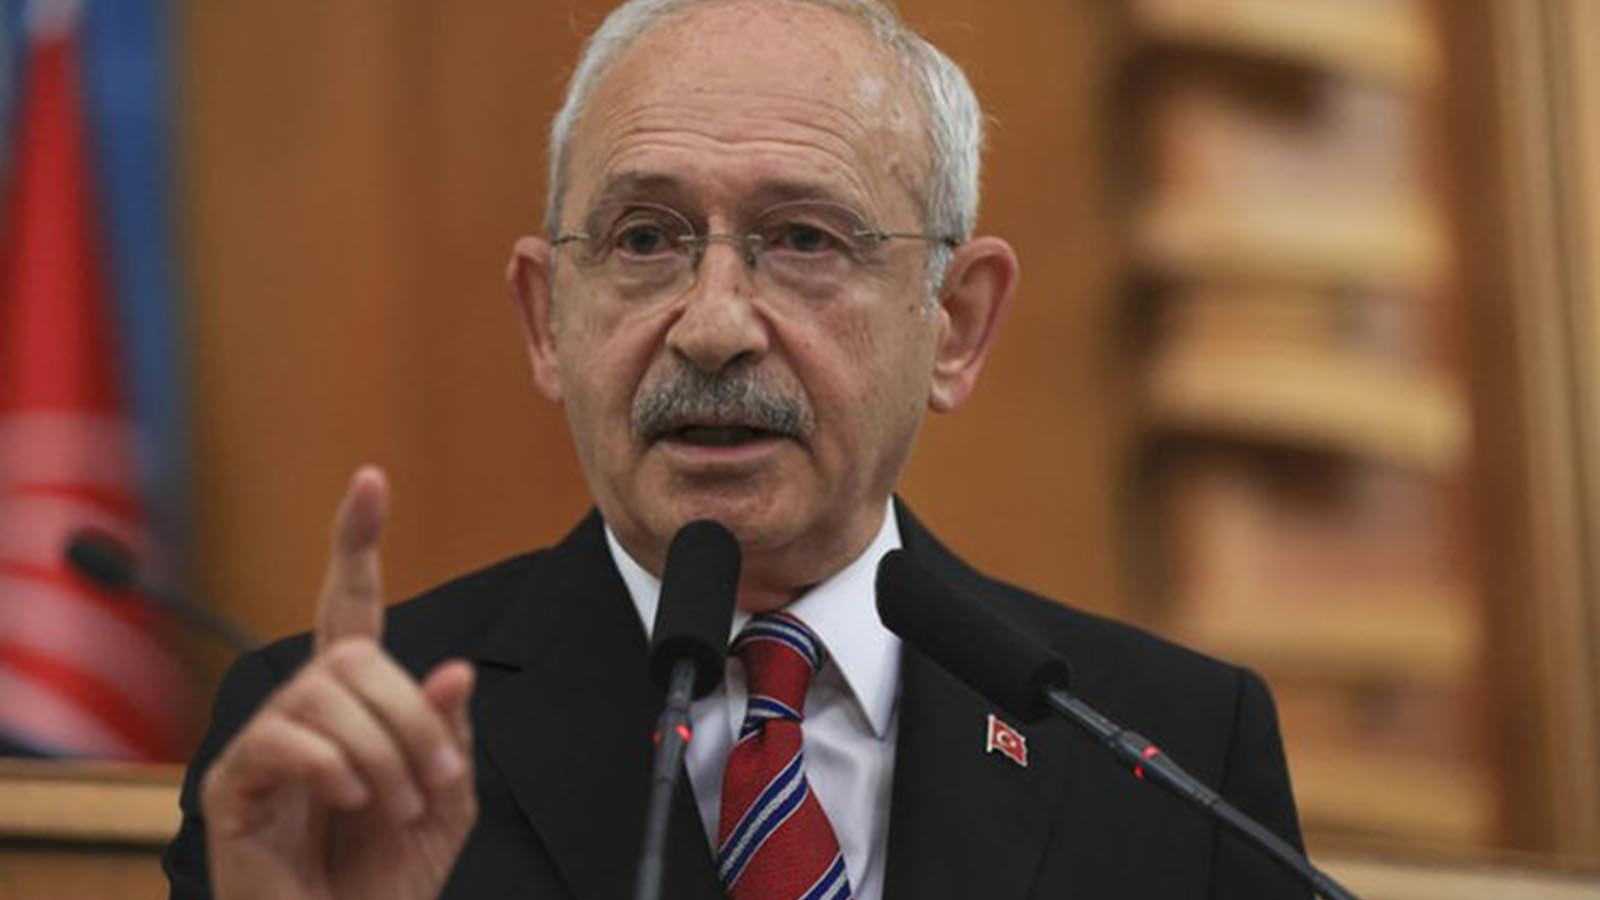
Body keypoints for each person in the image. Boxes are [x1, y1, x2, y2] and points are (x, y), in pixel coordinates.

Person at [165, 1, 1308, 897]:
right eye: (644, 238)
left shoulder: (1169, 751)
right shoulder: (345, 764)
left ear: (954, 325)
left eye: (803, 238)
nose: (712, 325)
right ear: (545, 320)